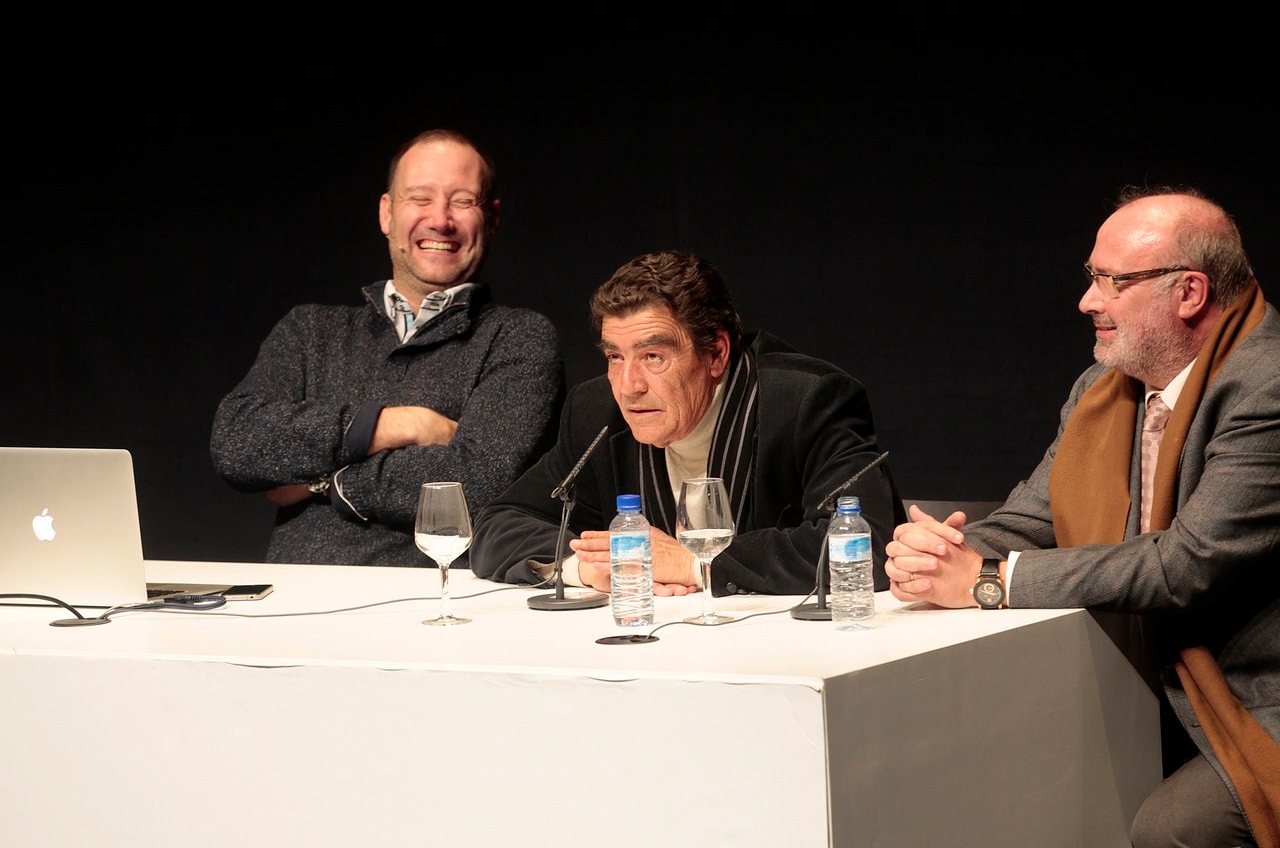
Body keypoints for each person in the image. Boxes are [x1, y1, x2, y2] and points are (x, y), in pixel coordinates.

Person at [885, 186, 1279, 846]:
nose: (1087, 301)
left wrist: (987, 581)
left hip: (1252, 690)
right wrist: (938, 555)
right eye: (1090, 277)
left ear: (1189, 293)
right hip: (1146, 670)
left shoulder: (1265, 387)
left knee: (1172, 830)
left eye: (1111, 281)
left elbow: (1186, 565)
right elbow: (1034, 520)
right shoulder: (1102, 388)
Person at [210, 129, 564, 567]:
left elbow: (473, 483)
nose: (440, 219)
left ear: (491, 219)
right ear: (386, 213)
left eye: (462, 201)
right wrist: (402, 425)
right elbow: (236, 441)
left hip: (437, 607)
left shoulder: (518, 338)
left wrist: (324, 482)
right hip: (292, 602)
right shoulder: (310, 329)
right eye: (420, 198)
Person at [470, 250, 903, 597]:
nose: (628, 386)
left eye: (653, 357)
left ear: (715, 354)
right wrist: (586, 567)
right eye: (614, 357)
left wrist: (695, 563)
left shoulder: (807, 399)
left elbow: (869, 543)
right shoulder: (594, 412)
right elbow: (499, 523)